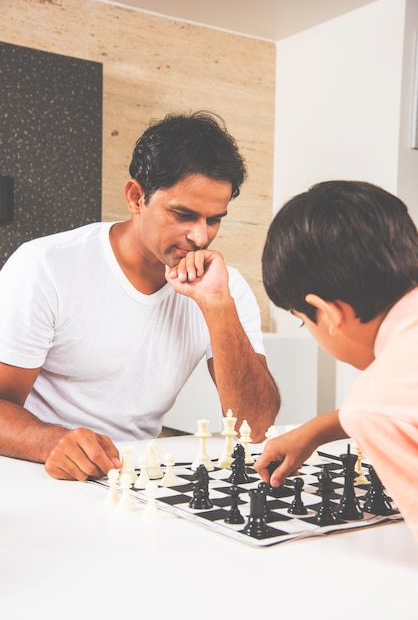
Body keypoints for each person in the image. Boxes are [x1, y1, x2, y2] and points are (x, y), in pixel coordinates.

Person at [0, 111, 280, 481]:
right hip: (38, 469)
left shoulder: (225, 288)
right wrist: (53, 441)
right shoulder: (46, 266)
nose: (200, 236)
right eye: (183, 214)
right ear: (136, 197)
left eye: (214, 219)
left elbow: (255, 426)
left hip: (136, 476)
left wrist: (217, 307)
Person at [254, 180, 418, 542]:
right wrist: (323, 428)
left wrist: (361, 414)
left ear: (329, 314)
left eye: (302, 319)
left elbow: (390, 406)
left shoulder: (376, 404)